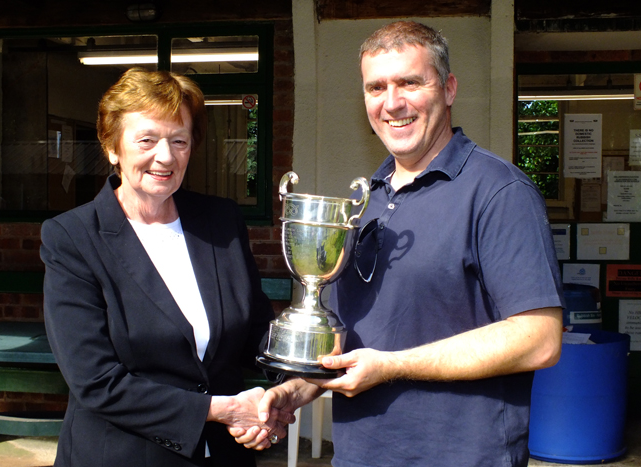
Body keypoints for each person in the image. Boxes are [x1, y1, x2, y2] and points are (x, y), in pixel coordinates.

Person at [236, 21, 565, 466]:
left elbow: (539, 338)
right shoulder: (366, 199)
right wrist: (298, 389)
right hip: (360, 454)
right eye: (376, 87)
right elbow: (365, 338)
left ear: (448, 89)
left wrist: (392, 366)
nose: (392, 103)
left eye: (410, 82)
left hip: (461, 456)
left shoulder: (498, 192)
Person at [41, 67, 291, 467]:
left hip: (226, 453)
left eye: (179, 140)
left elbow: (257, 333)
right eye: (147, 140)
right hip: (121, 456)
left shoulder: (220, 221)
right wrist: (220, 409)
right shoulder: (72, 238)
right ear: (112, 148)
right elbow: (96, 381)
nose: (165, 156)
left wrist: (282, 394)